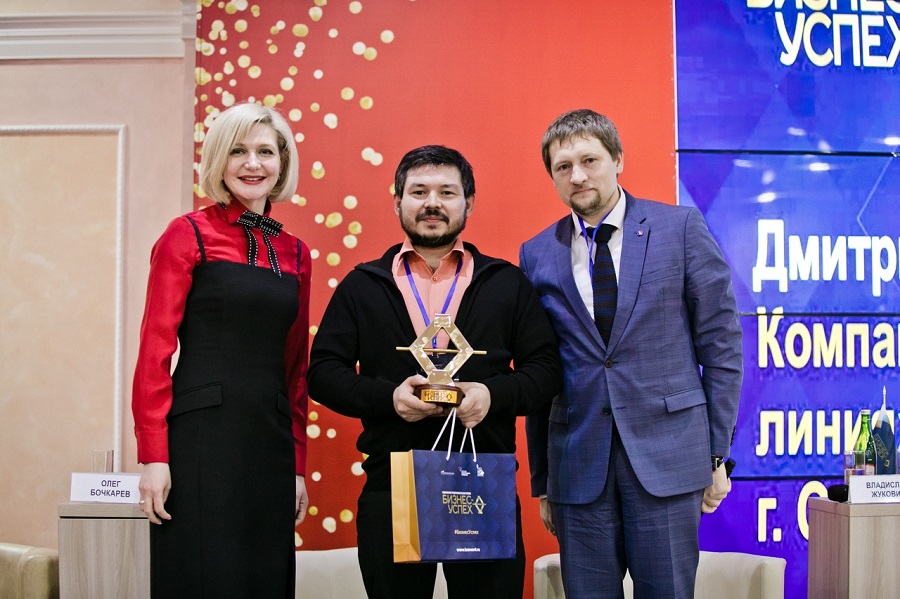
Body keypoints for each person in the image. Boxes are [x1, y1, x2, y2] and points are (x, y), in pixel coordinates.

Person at [308, 145, 561, 599]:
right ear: (397, 201)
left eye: (447, 192)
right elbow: (323, 373)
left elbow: (546, 371)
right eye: (419, 191)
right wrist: (388, 399)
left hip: (483, 482)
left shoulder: (506, 283)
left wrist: (492, 395)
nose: (432, 203)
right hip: (392, 485)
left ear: (469, 202)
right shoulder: (362, 285)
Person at [519, 109, 743, 599]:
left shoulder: (680, 228)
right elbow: (540, 370)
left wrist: (717, 455)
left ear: (617, 159)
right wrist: (543, 480)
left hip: (669, 461)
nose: (577, 176)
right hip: (578, 469)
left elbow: (722, 347)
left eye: (589, 160)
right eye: (563, 167)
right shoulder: (537, 253)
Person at [132, 102, 311, 598]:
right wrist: (153, 457)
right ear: (218, 160)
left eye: (265, 152)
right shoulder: (186, 233)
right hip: (200, 442)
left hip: (270, 444)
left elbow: (296, 369)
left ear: (282, 163)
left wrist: (297, 465)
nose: (252, 163)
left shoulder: (297, 252)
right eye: (237, 151)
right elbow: (154, 352)